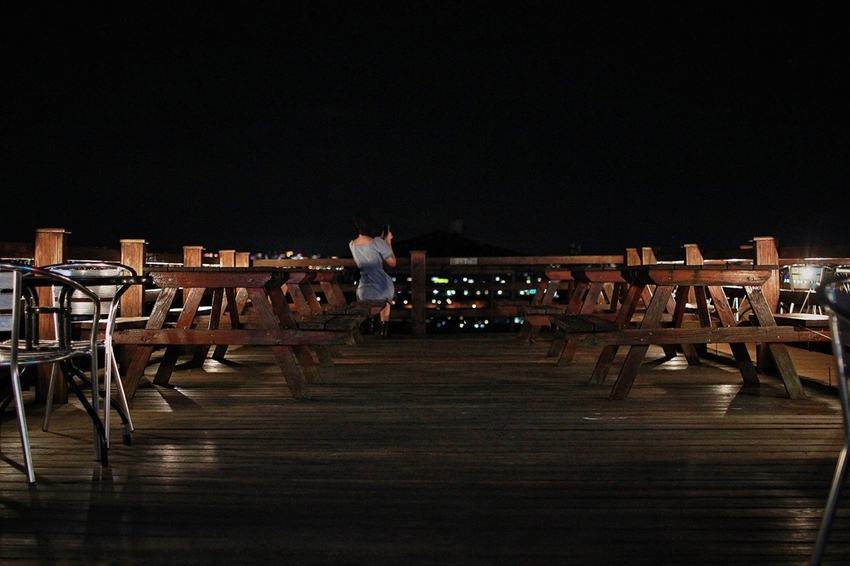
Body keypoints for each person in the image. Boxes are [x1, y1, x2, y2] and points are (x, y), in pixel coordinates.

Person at [349, 213, 396, 337]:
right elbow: (392, 262)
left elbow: (368, 250)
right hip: (380, 282)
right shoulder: (377, 242)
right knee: (386, 299)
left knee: (370, 299)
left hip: (364, 286)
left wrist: (381, 240)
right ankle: (384, 330)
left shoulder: (352, 244)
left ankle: (370, 325)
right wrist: (388, 242)